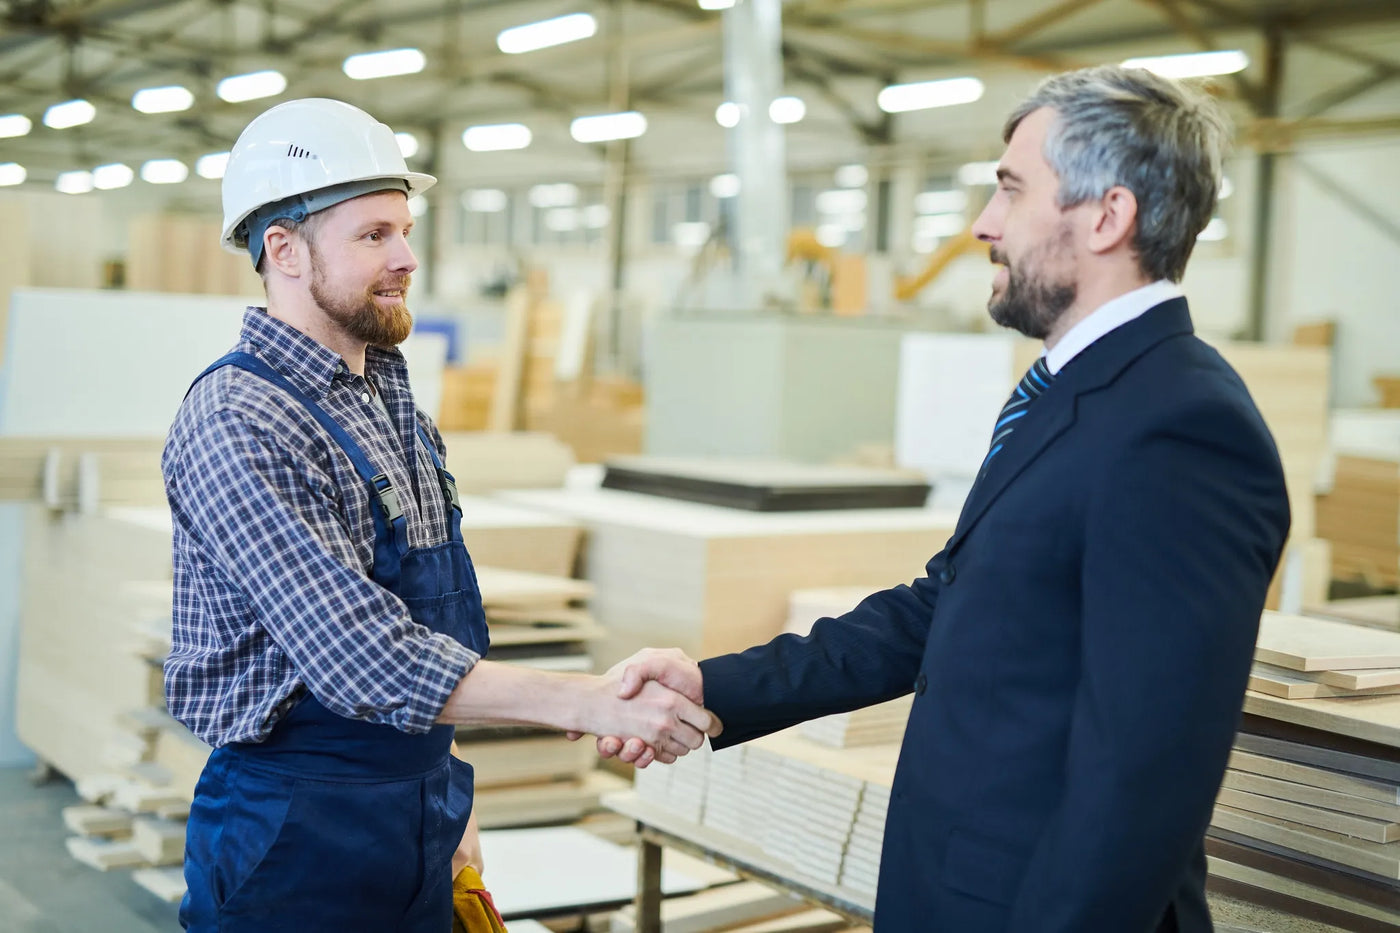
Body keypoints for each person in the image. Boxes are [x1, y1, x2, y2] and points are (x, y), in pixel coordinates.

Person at [594, 66, 1291, 932]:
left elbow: (1145, 778)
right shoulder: (1065, 392)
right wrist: (712, 681)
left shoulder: (1181, 429)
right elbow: (947, 606)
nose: (981, 225)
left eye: (1010, 191)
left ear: (1108, 217)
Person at [162, 97, 718, 933]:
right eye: (374, 235)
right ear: (283, 249)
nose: (408, 257)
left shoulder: (395, 410)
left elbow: (436, 633)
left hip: (415, 812)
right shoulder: (240, 418)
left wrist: (448, 794)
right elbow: (362, 656)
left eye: (406, 230)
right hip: (294, 837)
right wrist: (593, 702)